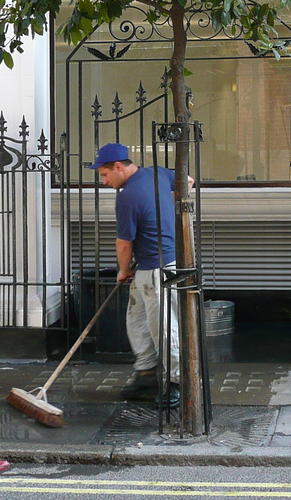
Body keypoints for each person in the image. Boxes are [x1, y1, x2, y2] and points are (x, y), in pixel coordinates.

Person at [89, 142, 182, 407]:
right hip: (149, 266)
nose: (104, 181)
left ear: (118, 167)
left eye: (105, 175)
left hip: (157, 268)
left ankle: (176, 384)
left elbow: (124, 243)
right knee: (137, 322)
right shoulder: (158, 174)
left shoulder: (127, 196)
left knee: (164, 328)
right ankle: (146, 376)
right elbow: (188, 180)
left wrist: (123, 269)